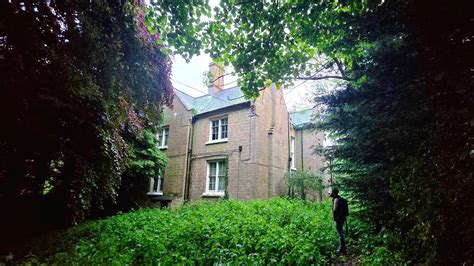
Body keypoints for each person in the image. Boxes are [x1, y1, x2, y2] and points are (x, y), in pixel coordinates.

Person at [328, 187, 347, 254]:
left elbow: (335, 209)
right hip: (342, 218)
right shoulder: (340, 198)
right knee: (341, 231)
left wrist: (333, 216)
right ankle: (343, 247)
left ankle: (342, 249)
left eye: (331, 192)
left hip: (338, 219)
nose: (330, 193)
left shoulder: (336, 199)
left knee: (340, 234)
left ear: (333, 193)